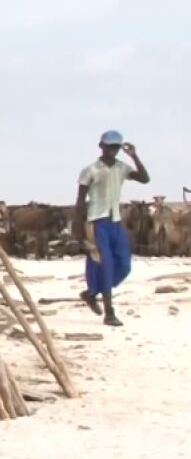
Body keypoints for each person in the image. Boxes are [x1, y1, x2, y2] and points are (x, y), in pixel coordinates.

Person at [75, 130, 150, 326]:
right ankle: (109, 312)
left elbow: (144, 178)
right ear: (101, 146)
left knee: (124, 265)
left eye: (116, 147)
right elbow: (80, 201)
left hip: (115, 222)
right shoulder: (90, 170)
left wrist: (134, 155)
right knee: (105, 266)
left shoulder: (122, 168)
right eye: (110, 146)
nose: (113, 150)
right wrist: (77, 228)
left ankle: (92, 293)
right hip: (97, 222)